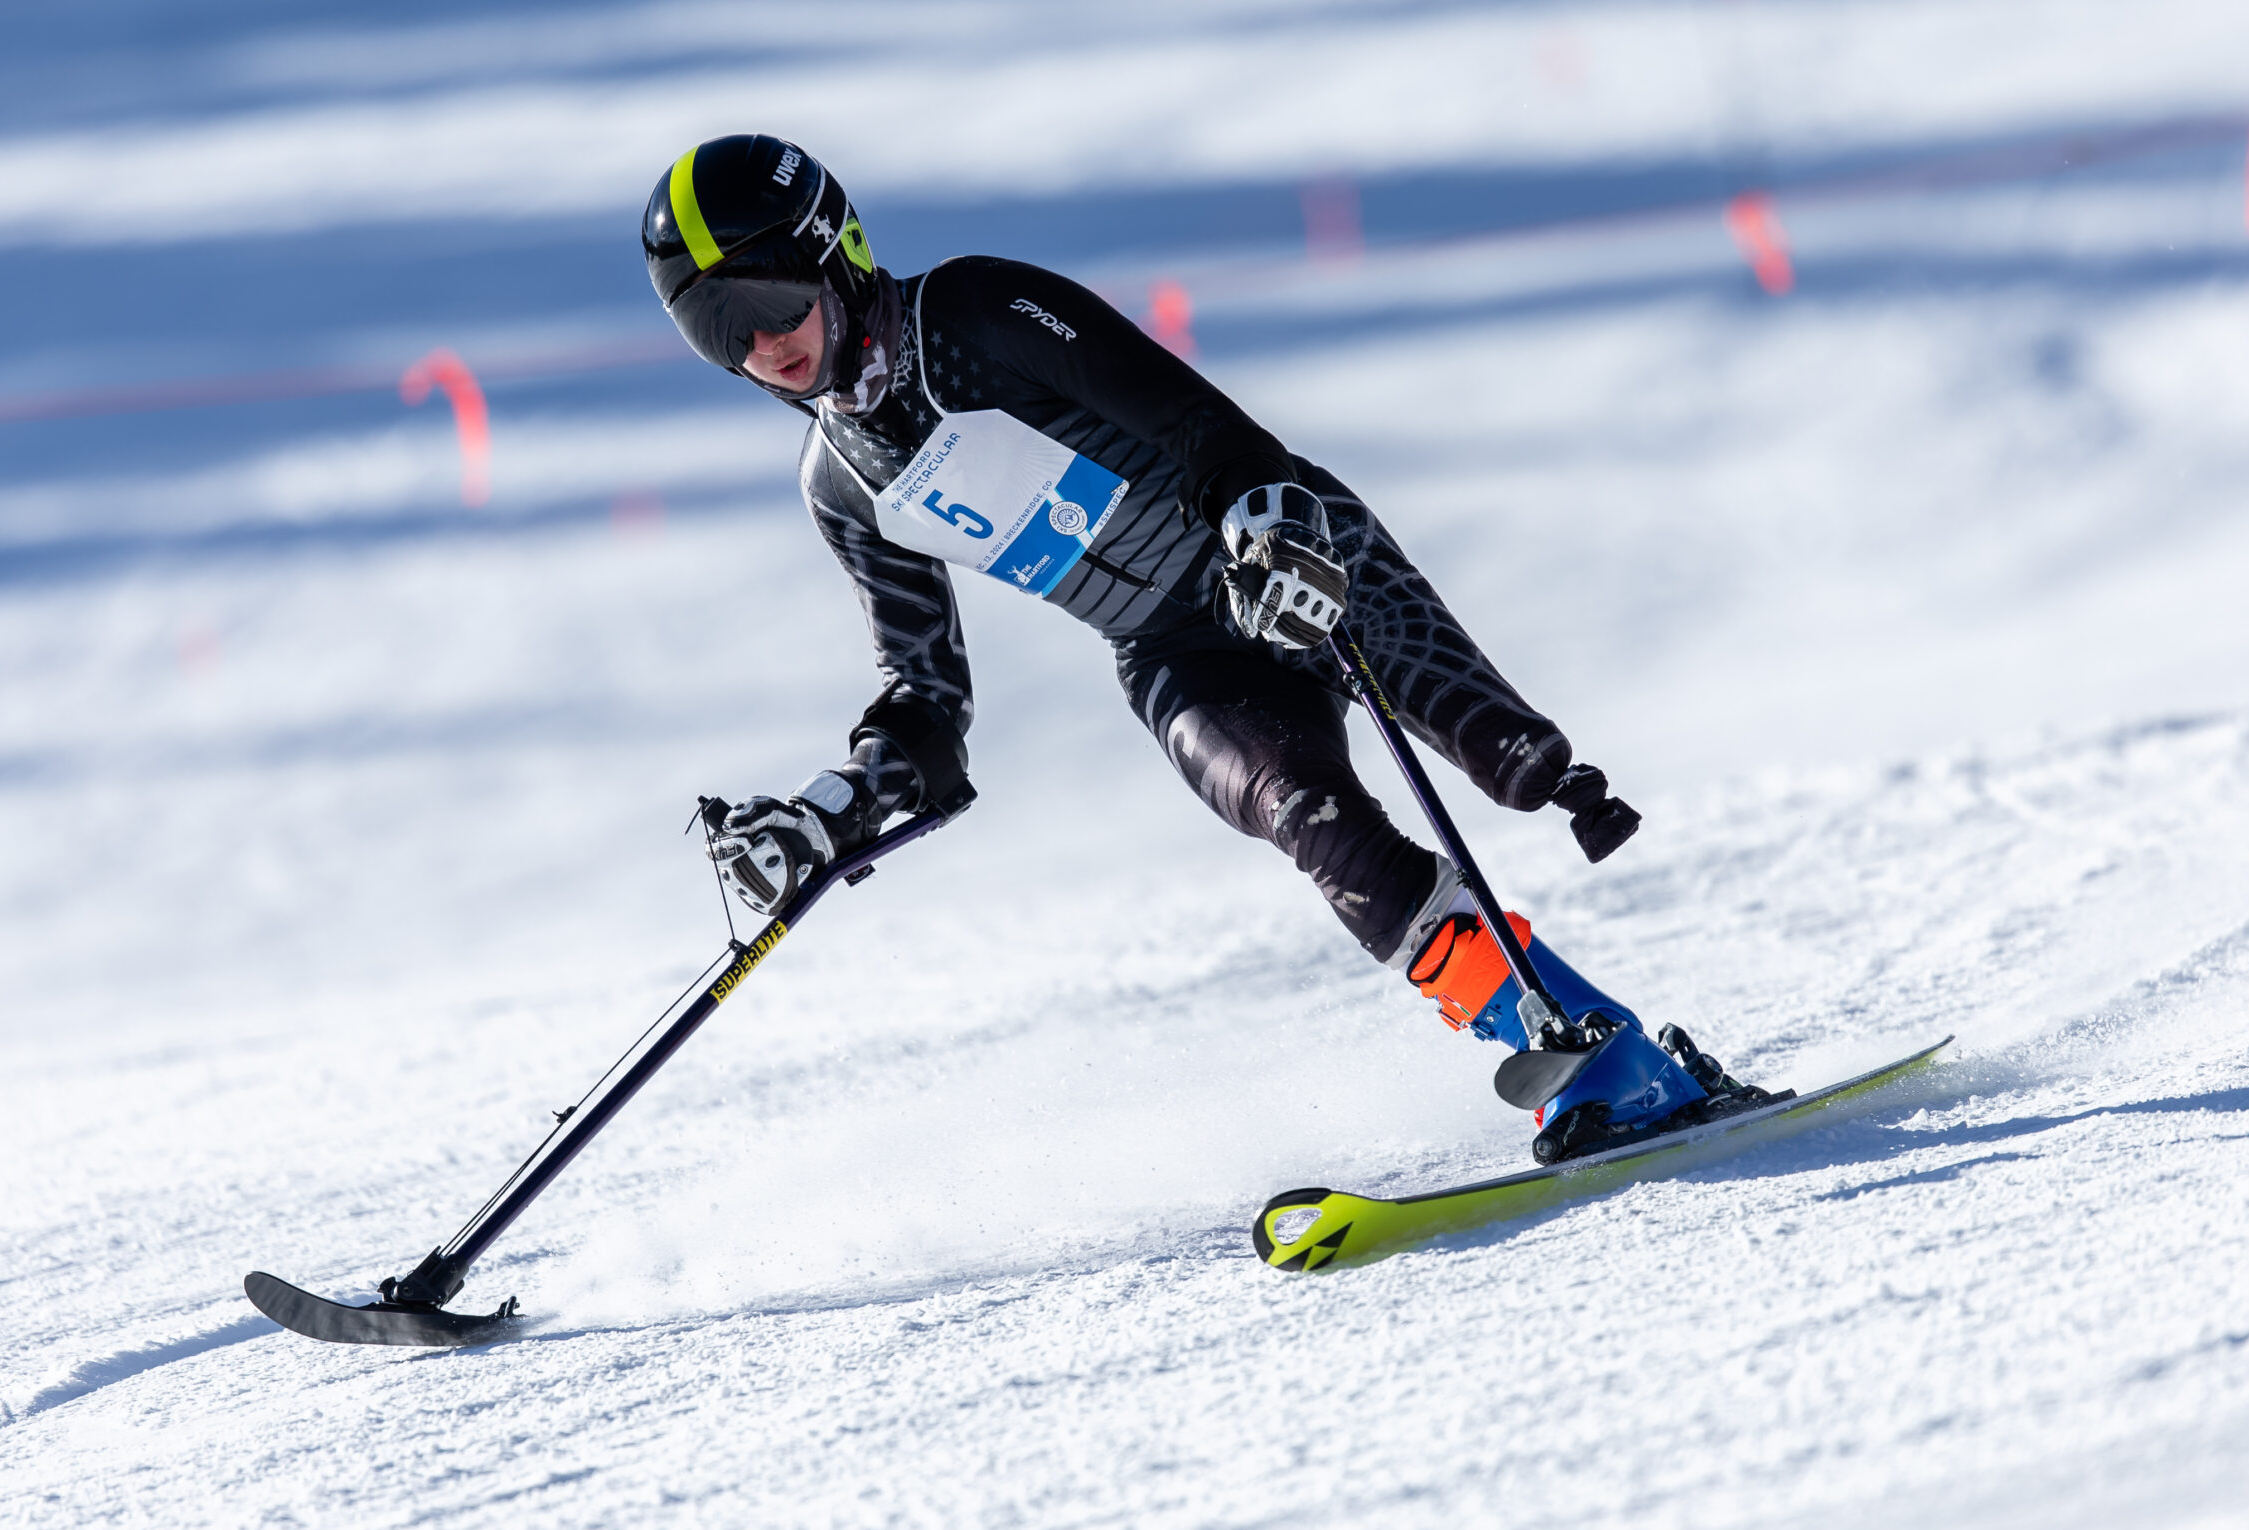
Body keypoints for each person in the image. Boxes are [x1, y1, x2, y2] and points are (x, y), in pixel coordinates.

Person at [642, 135, 1768, 1161]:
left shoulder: (976, 315)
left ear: (835, 254)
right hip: (1174, 651)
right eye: (716, 331)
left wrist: (1260, 519)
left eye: (769, 299)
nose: (761, 345)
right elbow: (926, 699)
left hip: (1276, 548)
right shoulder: (841, 484)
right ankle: (1592, 1053)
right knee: (1319, 829)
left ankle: (1627, 1052)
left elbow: (1196, 424)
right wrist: (830, 809)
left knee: (1498, 753)